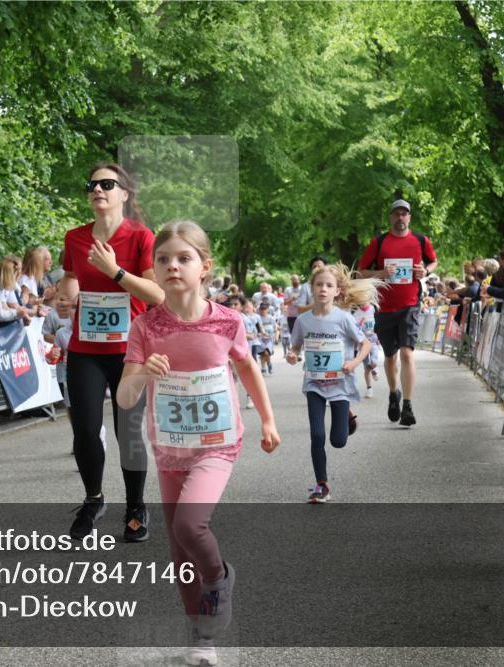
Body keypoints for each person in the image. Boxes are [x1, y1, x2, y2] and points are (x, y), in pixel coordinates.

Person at [117, 221, 280, 666]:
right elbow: (125, 397)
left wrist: (267, 419)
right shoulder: (144, 328)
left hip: (218, 444)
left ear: (205, 267)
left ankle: (219, 576)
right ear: (152, 270)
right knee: (176, 549)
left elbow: (246, 369)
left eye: (183, 258)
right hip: (170, 449)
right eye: (164, 259)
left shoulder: (227, 321)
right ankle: (202, 639)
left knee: (191, 527)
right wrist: (143, 374)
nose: (173, 265)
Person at [56, 162, 164, 541]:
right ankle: (94, 499)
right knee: (85, 430)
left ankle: (135, 506)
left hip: (129, 350)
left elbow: (156, 295)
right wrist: (64, 300)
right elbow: (69, 279)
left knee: (128, 431)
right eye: (92, 184)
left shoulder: (140, 237)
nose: (97, 189)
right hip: (85, 347)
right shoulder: (75, 238)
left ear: (124, 193)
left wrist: (115, 271)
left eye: (107, 184)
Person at [287, 264, 376, 503]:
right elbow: (295, 347)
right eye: (319, 284)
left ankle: (347, 416)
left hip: (340, 384)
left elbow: (366, 343)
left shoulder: (343, 318)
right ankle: (321, 484)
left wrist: (355, 362)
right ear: (312, 288)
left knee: (338, 441)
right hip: (314, 384)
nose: (323, 289)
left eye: (329, 285)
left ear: (337, 291)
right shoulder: (303, 321)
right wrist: (292, 355)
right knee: (317, 435)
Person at [357, 199, 437, 427]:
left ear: (409, 217)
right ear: (390, 217)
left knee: (407, 354)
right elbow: (362, 272)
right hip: (384, 307)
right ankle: (394, 393)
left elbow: (433, 262)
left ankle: (408, 405)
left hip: (410, 304)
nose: (400, 218)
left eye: (405, 214)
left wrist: (425, 271)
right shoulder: (379, 242)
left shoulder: (421, 241)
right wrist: (382, 273)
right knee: (390, 357)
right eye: (396, 214)